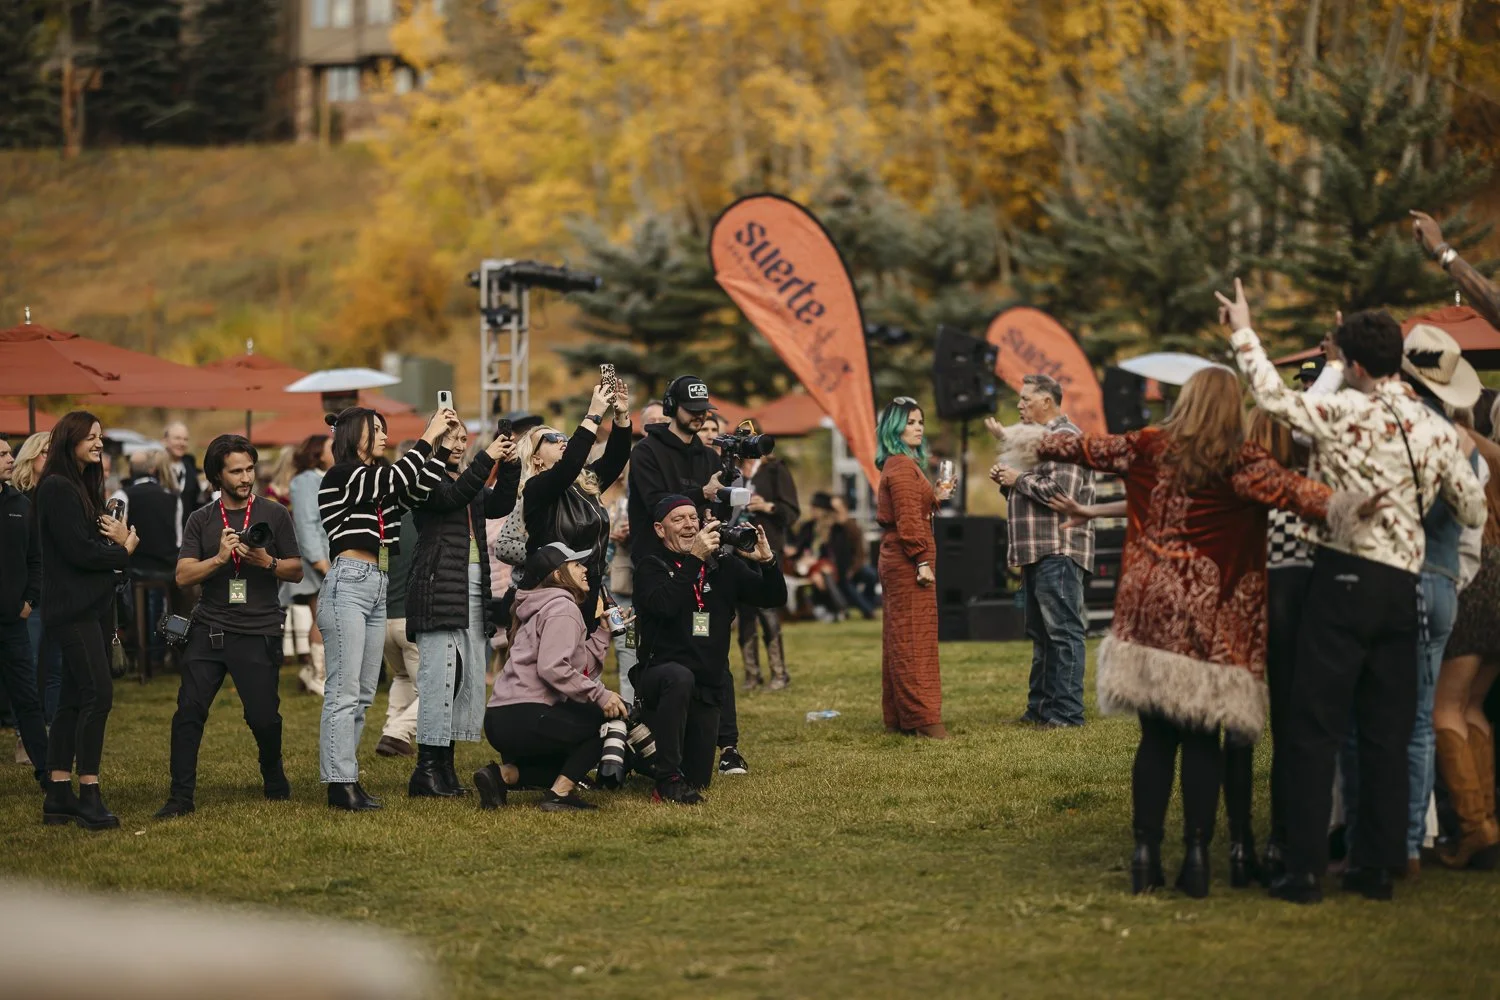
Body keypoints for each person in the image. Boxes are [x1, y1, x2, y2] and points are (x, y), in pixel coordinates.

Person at [1034, 367, 1362, 898]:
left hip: (1148, 613)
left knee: (1155, 737)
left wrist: (1027, 440)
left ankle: (1144, 858)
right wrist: (1361, 504)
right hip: (1213, 617)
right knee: (1203, 738)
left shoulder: (1148, 445)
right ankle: (1196, 861)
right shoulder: (1242, 459)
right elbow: (1304, 496)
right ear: (1234, 407)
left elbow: (1086, 450)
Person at [1223, 280, 1485, 904]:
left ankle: (1305, 871)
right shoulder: (1435, 430)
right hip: (1404, 589)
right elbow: (1472, 511)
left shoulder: (1343, 412)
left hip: (1339, 579)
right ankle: (1378, 867)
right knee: (1387, 732)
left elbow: (1271, 397)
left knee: (1316, 728)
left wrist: (1243, 328)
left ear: (1357, 365)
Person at [1338, 324, 1483, 876]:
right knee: (1420, 721)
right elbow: (1472, 520)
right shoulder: (1456, 441)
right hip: (1444, 581)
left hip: (1399, 578)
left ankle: (1366, 839)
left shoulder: (1397, 431)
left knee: (1367, 714)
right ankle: (1406, 846)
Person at [316, 405, 457, 811]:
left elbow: (413, 490)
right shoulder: (344, 474)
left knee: (361, 694)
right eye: (375, 429)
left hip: (376, 586)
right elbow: (397, 477)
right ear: (352, 434)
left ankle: (348, 777)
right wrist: (427, 436)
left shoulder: (376, 480)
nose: (383, 435)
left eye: (384, 428)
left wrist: (442, 450)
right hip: (349, 581)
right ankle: (339, 783)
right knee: (343, 692)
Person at [155, 435, 304, 818]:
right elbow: (183, 575)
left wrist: (265, 561)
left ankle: (273, 774)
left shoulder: (274, 513)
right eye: (236, 471)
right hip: (209, 628)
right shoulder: (201, 519)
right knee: (188, 711)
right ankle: (180, 796)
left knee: (263, 717)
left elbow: (296, 570)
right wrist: (220, 558)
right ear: (217, 476)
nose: (245, 477)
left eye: (249, 469)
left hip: (258, 629)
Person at [633, 496, 785, 802]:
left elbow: (772, 597)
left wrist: (767, 562)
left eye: (693, 518)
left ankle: (644, 758)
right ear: (660, 530)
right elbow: (664, 606)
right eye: (679, 520)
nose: (689, 524)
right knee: (679, 677)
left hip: (706, 686)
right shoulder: (651, 566)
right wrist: (696, 559)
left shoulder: (722, 565)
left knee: (699, 779)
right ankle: (665, 779)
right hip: (660, 679)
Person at [405, 421, 519, 798]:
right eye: (450, 438)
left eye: (462, 439)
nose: (458, 444)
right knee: (439, 677)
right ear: (435, 441)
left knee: (459, 680)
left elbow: (499, 503)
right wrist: (487, 458)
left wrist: (511, 463)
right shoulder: (426, 478)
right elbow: (451, 496)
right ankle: (425, 771)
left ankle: (445, 768)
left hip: (469, 587)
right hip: (440, 585)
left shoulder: (464, 479)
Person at [37, 412, 139, 830]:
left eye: (101, 437)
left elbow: (90, 543)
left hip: (92, 607)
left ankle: (58, 793)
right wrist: (124, 550)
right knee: (99, 694)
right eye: (91, 437)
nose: (99, 443)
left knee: (74, 698)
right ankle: (88, 792)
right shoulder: (57, 487)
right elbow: (79, 551)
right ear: (71, 439)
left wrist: (113, 539)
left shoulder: (80, 485)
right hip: (73, 609)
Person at [476, 542, 628, 811]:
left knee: (569, 767)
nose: (585, 570)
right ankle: (559, 795)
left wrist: (603, 633)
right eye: (577, 565)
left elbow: (577, 668)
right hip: (528, 716)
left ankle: (501, 775)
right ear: (559, 575)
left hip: (500, 719)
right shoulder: (562, 608)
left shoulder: (539, 606)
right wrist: (601, 696)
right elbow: (554, 668)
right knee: (602, 720)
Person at [987, 373, 1095, 729]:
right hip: (1037, 551)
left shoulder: (1066, 439)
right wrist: (1008, 482)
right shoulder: (1037, 442)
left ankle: (1065, 714)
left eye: (1026, 399)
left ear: (1047, 401)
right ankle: (1040, 710)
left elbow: (1063, 494)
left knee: (1063, 633)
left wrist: (1017, 479)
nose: (1019, 405)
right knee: (1042, 635)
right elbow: (1033, 492)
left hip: (1059, 549)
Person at [511, 378, 633, 631]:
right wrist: (594, 414)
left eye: (562, 436)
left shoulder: (583, 484)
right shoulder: (536, 488)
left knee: (584, 663)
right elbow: (568, 467)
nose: (560, 440)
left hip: (589, 582)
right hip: (556, 586)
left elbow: (616, 458)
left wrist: (621, 416)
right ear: (536, 458)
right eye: (551, 438)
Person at [1434, 411, 1500, 870]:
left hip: (1478, 576)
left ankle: (1476, 829)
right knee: (1474, 704)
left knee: (1446, 706)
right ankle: (1488, 821)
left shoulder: (1474, 446)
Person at [876, 397, 954, 739]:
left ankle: (901, 716)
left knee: (900, 635)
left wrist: (935, 497)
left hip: (901, 555)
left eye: (920, 421)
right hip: (909, 559)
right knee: (914, 638)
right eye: (910, 422)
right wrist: (921, 559)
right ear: (894, 427)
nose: (918, 427)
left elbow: (911, 510)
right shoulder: (903, 467)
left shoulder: (900, 464)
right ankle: (924, 719)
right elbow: (908, 520)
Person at [734, 417, 800, 692]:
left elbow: (793, 513)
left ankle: (779, 673)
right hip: (737, 548)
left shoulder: (775, 470)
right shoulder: (733, 470)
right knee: (744, 612)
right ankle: (752, 674)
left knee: (768, 609)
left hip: (767, 546)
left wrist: (769, 506)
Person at [627, 375, 722, 561]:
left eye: (703, 410)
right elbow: (656, 502)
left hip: (703, 558)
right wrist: (702, 493)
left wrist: (713, 515)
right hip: (655, 560)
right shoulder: (645, 451)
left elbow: (719, 504)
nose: (699, 415)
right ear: (671, 407)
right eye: (691, 409)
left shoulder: (710, 456)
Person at [0, 438, 47, 789]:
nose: (10, 459)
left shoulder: (20, 504)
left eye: (9, 452)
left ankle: (47, 773)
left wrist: (30, 598)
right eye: (1, 454)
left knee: (28, 697)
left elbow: (36, 558)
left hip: (13, 620)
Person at [12, 432, 62, 723]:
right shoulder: (16, 502)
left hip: (57, 593)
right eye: (46, 452)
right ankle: (25, 735)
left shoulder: (59, 494)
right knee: (28, 668)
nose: (52, 457)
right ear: (30, 457)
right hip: (30, 596)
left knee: (56, 668)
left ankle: (55, 734)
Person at [123, 450, 182, 673]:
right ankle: (172, 650)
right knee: (175, 609)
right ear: (152, 470)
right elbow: (178, 538)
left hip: (138, 568)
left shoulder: (125, 494)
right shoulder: (172, 496)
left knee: (139, 606)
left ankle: (142, 654)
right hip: (168, 568)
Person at [288, 434, 332, 696]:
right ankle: (317, 673)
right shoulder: (305, 482)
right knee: (323, 617)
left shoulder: (325, 478)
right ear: (317, 453)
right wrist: (319, 561)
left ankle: (311, 673)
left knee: (325, 616)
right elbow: (305, 523)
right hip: (319, 560)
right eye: (331, 448)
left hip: (329, 557)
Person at [376, 506, 420, 759]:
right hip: (410, 620)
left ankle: (391, 729)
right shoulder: (419, 522)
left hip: (384, 620)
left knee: (402, 676)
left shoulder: (380, 525)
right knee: (435, 690)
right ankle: (398, 733)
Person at [163, 421, 203, 524]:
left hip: (186, 531)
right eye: (177, 438)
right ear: (165, 441)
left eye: (185, 439)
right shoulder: (156, 469)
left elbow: (197, 503)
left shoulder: (191, 469)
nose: (182, 443)